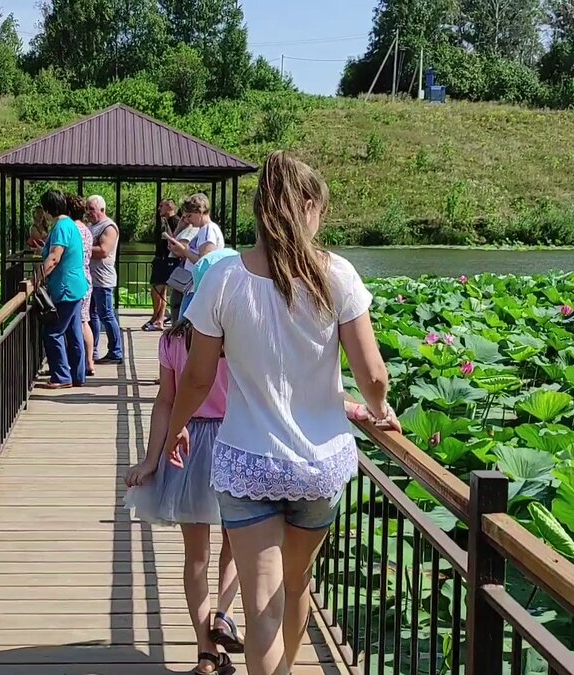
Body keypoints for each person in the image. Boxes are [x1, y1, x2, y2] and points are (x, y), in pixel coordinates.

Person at [163, 151, 400, 675]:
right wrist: (380, 410)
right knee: (296, 590)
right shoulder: (336, 275)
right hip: (319, 467)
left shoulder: (224, 278)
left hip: (249, 463)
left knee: (258, 605)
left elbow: (199, 378)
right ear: (309, 206)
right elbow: (373, 376)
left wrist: (174, 431)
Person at [124, 259, 243, 674]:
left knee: (196, 556)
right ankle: (224, 614)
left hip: (186, 441)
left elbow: (165, 402)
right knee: (239, 546)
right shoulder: (243, 335)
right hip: (239, 441)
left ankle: (206, 653)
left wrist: (151, 459)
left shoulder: (174, 338)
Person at [35, 190, 89, 390]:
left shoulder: (60, 227)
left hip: (66, 288)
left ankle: (61, 376)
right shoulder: (71, 225)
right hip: (76, 287)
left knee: (53, 333)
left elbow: (55, 257)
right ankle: (77, 374)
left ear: (48, 210)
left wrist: (36, 278)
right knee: (74, 332)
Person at [166, 193, 224, 321]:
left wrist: (184, 250)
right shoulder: (205, 229)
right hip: (194, 288)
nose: (188, 220)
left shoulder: (208, 230)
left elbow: (204, 262)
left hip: (198, 289)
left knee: (184, 327)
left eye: (190, 216)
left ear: (200, 212)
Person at [86, 195, 123, 365]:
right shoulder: (91, 226)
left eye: (91, 209)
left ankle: (116, 351)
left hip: (103, 280)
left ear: (102, 209)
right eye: (87, 209)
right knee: (91, 315)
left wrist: (82, 248)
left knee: (107, 315)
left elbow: (103, 251)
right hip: (91, 280)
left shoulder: (109, 227)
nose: (88, 213)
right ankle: (92, 350)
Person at [67, 194, 97, 377]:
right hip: (86, 276)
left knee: (79, 321)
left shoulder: (72, 229)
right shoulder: (86, 229)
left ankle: (80, 363)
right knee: (85, 320)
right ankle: (89, 361)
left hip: (76, 278)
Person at [145, 199, 182, 331]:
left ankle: (156, 317)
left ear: (169, 207)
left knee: (156, 290)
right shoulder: (165, 222)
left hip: (167, 261)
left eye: (161, 206)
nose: (159, 208)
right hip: (161, 259)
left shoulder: (176, 222)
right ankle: (159, 319)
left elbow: (176, 242)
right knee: (162, 290)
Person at [167, 212, 197, 325]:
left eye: (187, 216)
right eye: (183, 217)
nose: (184, 219)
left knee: (177, 302)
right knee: (175, 301)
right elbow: (172, 243)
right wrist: (179, 226)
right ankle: (175, 327)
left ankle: (178, 330)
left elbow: (179, 249)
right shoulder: (185, 230)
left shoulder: (194, 231)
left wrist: (175, 248)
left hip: (189, 276)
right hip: (184, 273)